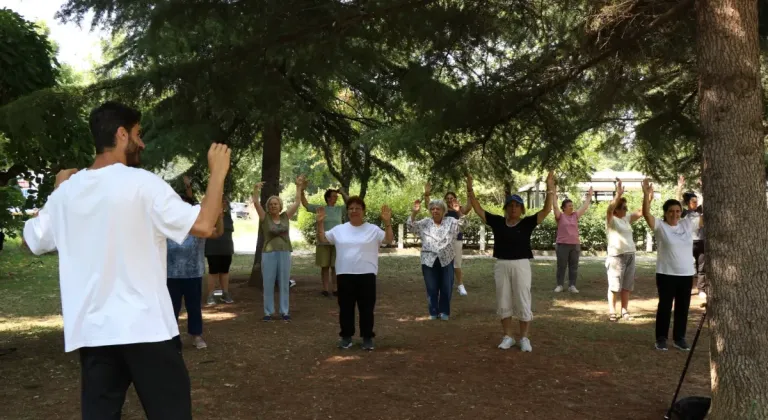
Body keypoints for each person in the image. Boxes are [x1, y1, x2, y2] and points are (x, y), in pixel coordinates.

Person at [22, 101, 230, 419]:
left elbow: (31, 240)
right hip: (146, 328)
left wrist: (57, 190)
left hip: (94, 332)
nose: (142, 142)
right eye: (138, 133)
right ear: (122, 134)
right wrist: (217, 173)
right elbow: (203, 225)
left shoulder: (67, 193)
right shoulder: (142, 184)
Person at [467, 171, 555, 352]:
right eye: (510, 206)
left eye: (517, 206)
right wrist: (470, 188)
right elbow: (478, 209)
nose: (513, 208)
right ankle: (508, 336)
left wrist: (550, 188)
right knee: (503, 300)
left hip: (522, 264)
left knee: (523, 299)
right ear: (506, 208)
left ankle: (524, 338)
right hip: (502, 265)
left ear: (522, 209)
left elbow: (546, 210)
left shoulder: (527, 223)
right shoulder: (498, 222)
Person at [315, 198, 394, 351]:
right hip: (345, 274)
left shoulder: (373, 229)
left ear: (363, 211)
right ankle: (346, 337)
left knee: (366, 308)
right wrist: (320, 223)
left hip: (367, 273)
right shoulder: (340, 229)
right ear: (347, 211)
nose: (354, 211)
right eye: (351, 208)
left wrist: (387, 222)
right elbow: (323, 238)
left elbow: (388, 239)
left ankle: (367, 338)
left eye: (358, 208)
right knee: (345, 307)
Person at [642, 179, 702, 351]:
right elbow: (646, 214)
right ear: (665, 213)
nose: (674, 214)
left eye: (677, 211)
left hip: (686, 274)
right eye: (671, 212)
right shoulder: (661, 226)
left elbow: (705, 218)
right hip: (666, 273)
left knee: (683, 308)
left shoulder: (687, 224)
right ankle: (661, 338)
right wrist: (646, 195)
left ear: (681, 212)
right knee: (665, 307)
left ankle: (679, 338)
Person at [167, 194, 224, 350]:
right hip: (171, 275)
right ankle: (172, 338)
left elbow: (218, 233)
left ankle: (196, 335)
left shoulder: (198, 228)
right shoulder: (168, 227)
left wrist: (219, 215)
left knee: (194, 307)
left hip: (193, 274)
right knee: (171, 308)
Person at [252, 178, 304, 322]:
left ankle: (284, 311)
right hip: (268, 253)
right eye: (271, 204)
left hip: (284, 252)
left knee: (284, 283)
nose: (273, 206)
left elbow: (297, 203)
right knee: (268, 283)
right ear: (268, 207)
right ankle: (268, 312)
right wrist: (256, 189)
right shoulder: (265, 217)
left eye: (276, 204)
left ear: (280, 206)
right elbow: (256, 203)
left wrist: (298, 187)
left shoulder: (285, 217)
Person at [407, 196, 462, 320]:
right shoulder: (425, 222)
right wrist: (414, 213)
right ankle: (433, 312)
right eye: (433, 209)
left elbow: (464, 225)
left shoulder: (451, 221)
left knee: (446, 286)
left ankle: (444, 312)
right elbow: (410, 227)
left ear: (444, 211)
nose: (435, 211)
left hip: (446, 258)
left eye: (438, 209)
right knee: (431, 287)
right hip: (428, 260)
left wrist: (459, 211)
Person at [605, 179, 645, 322]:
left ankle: (624, 310)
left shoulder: (626, 219)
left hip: (630, 255)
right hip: (616, 257)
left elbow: (641, 212)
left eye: (626, 208)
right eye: (624, 208)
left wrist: (647, 197)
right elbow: (609, 210)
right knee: (615, 286)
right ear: (617, 209)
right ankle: (612, 311)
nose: (626, 210)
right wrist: (617, 195)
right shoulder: (612, 220)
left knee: (627, 286)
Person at [424, 183, 473, 296]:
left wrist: (469, 191)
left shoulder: (459, 209)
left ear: (455, 199)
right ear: (445, 200)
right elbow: (429, 206)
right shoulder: (443, 211)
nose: (450, 200)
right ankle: (443, 285)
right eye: (448, 199)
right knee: (442, 263)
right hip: (444, 240)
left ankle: (460, 285)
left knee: (457, 264)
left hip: (456, 239)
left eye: (452, 198)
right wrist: (426, 194)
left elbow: (469, 206)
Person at [301, 184, 348, 297]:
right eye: (334, 196)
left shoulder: (339, 209)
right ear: (328, 198)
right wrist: (301, 190)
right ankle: (325, 289)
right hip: (323, 242)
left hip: (337, 242)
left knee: (336, 266)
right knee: (325, 266)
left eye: (336, 196)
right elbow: (306, 205)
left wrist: (343, 193)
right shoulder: (321, 209)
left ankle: (336, 289)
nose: (336, 198)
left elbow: (351, 203)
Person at [552, 185, 593, 293]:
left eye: (572, 205)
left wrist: (589, 197)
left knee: (573, 266)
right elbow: (555, 208)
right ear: (564, 208)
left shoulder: (575, 215)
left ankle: (572, 285)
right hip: (562, 245)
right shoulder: (560, 216)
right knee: (561, 266)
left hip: (575, 245)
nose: (571, 207)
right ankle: (560, 285)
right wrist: (554, 197)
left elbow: (584, 207)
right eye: (569, 206)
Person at [677, 176, 706, 299]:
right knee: (687, 266)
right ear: (688, 204)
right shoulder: (684, 213)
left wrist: (702, 186)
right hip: (688, 242)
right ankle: (686, 288)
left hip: (701, 242)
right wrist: (680, 187)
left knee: (702, 267)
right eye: (693, 201)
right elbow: (677, 202)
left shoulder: (701, 210)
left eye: (696, 201)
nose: (696, 203)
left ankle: (701, 290)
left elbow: (706, 199)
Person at [205, 196, 236, 305]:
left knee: (225, 271)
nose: (224, 203)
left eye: (225, 201)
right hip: (213, 247)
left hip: (226, 247)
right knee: (213, 271)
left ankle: (225, 294)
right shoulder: (210, 216)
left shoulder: (228, 215)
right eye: (221, 201)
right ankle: (210, 295)